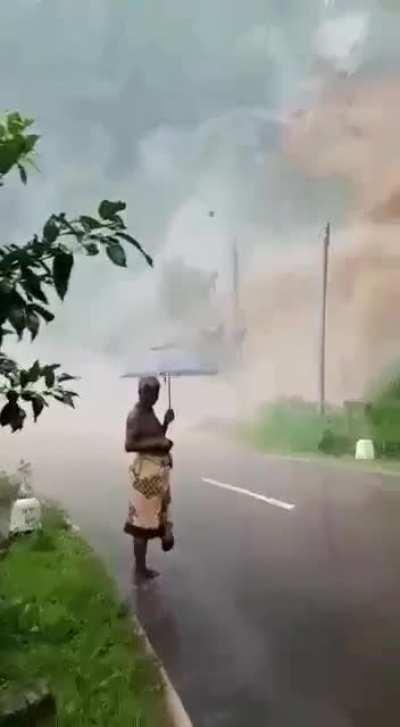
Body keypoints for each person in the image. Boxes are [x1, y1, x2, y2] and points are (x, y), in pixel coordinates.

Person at [124, 376, 175, 582]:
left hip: (158, 474)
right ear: (141, 392)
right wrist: (159, 443)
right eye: (151, 394)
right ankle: (139, 569)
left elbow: (155, 435)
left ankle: (164, 536)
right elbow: (129, 445)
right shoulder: (135, 415)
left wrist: (165, 423)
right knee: (141, 525)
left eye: (157, 394)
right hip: (144, 476)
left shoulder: (150, 412)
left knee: (158, 515)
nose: (155, 398)